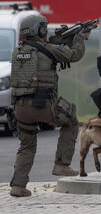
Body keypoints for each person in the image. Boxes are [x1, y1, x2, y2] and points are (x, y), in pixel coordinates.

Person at [9, 15, 87, 197]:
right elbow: (75, 55)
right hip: (42, 104)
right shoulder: (47, 49)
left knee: (26, 145)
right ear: (40, 30)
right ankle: (62, 164)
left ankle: (18, 186)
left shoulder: (18, 51)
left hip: (20, 108)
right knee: (71, 120)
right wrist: (79, 37)